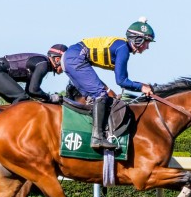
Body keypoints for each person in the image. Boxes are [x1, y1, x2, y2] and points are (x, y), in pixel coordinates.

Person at [62, 17, 155, 149]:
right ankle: (97, 138)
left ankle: (89, 133)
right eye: (147, 42)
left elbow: (124, 79)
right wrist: (142, 87)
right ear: (138, 40)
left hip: (72, 57)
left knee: (93, 98)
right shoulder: (123, 49)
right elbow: (122, 81)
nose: (148, 47)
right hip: (76, 58)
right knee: (100, 94)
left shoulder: (122, 47)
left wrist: (142, 86)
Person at [0, 44, 68, 104]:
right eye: (65, 62)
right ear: (57, 60)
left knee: (21, 100)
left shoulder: (41, 63)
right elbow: (33, 90)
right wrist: (51, 97)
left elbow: (30, 91)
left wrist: (46, 98)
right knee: (22, 98)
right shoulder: (43, 64)